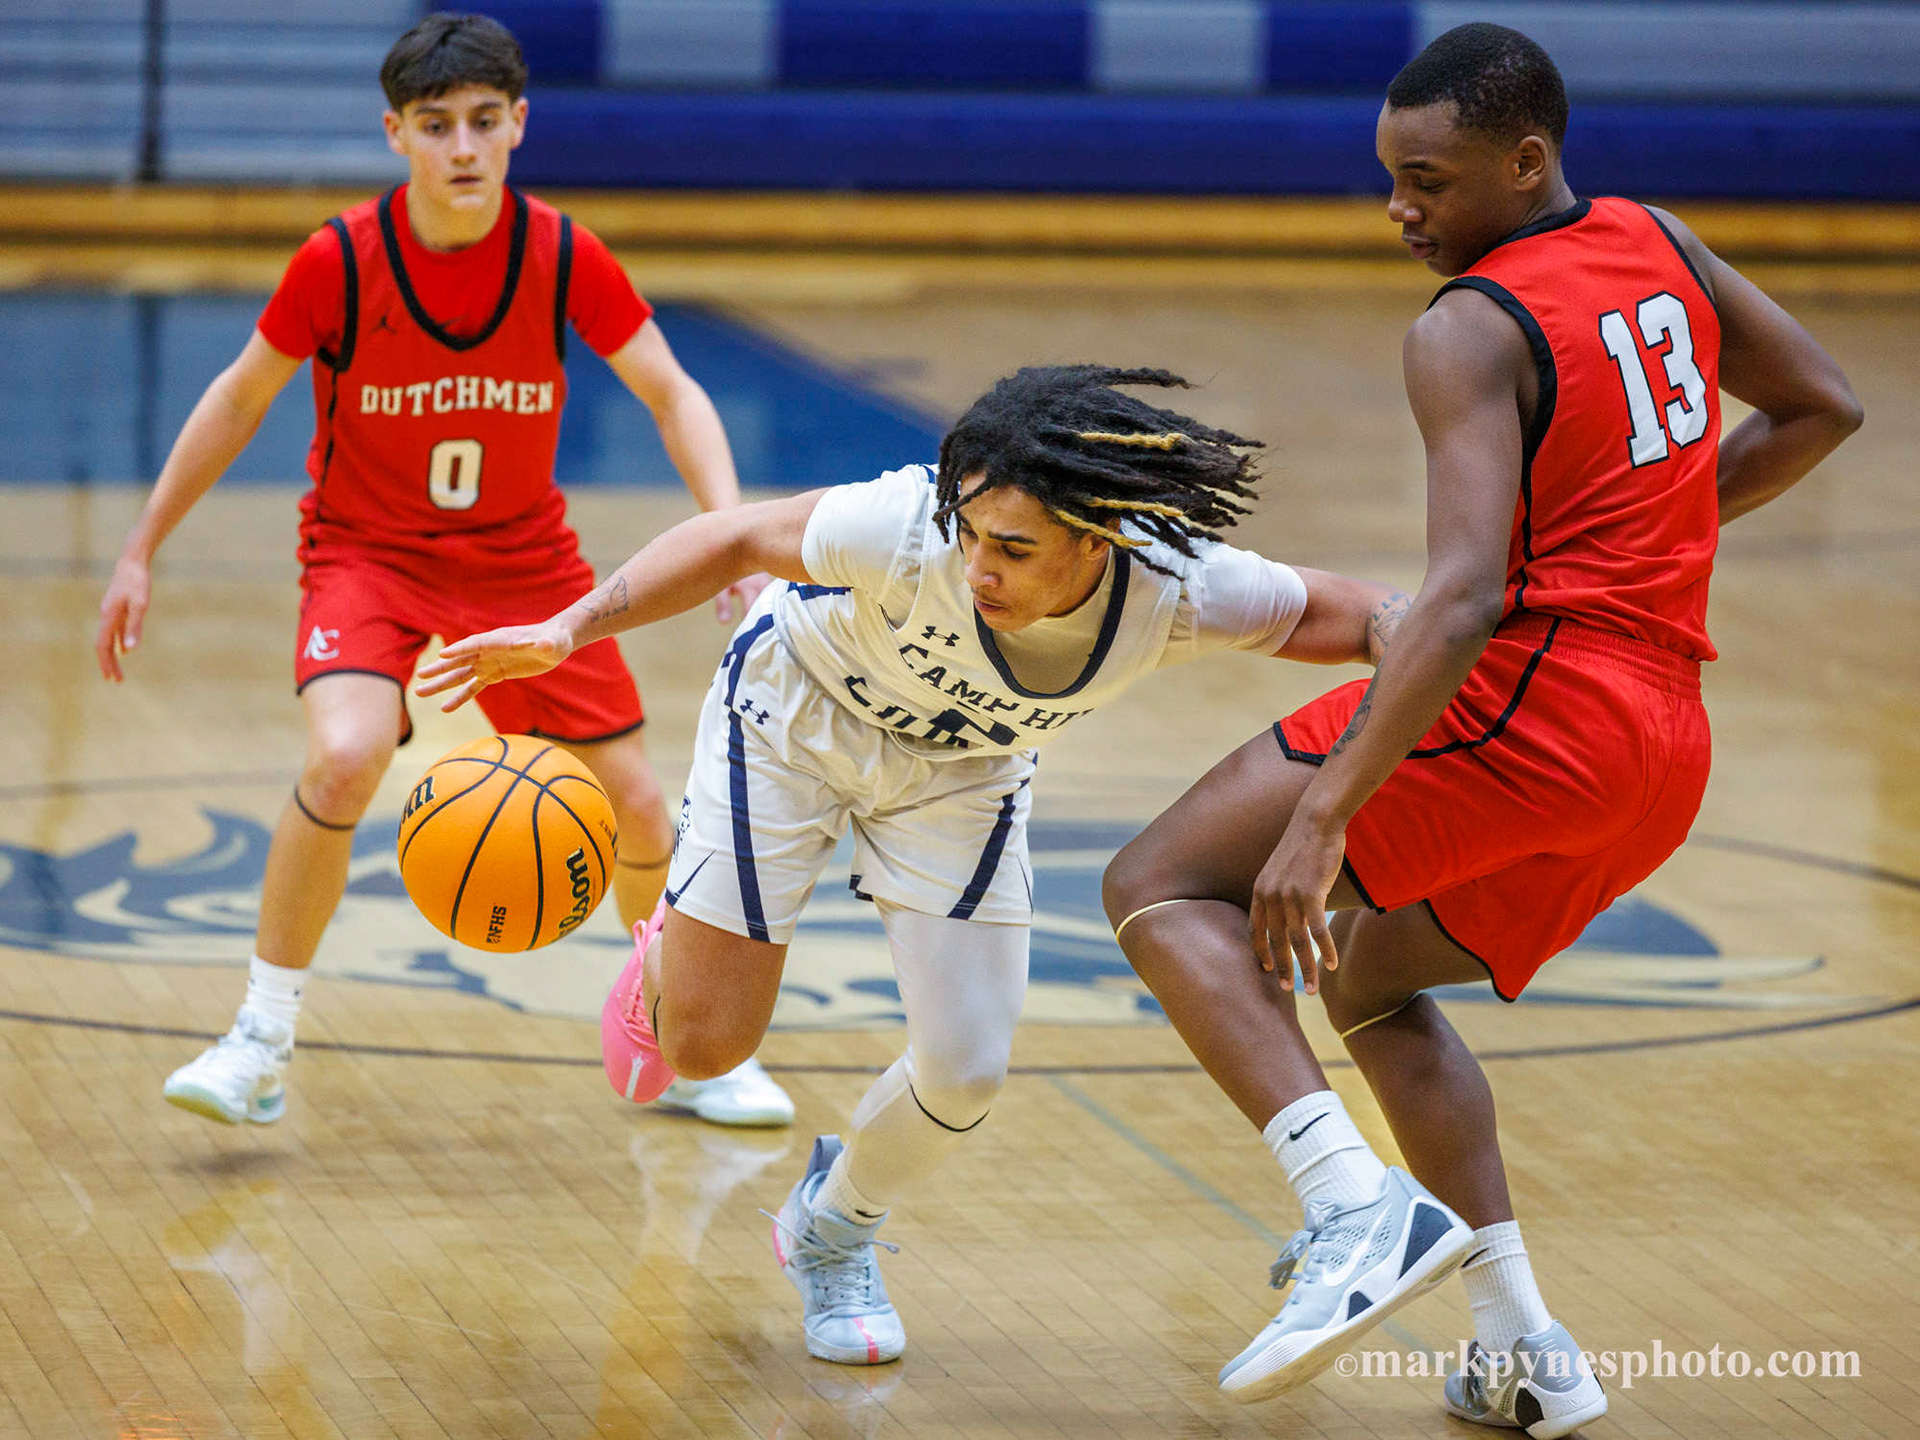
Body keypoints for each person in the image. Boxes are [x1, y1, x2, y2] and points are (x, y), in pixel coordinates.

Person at [1100, 22, 1863, 1437]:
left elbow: (1454, 605)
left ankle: (1353, 1215)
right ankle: (1522, 1347)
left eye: (1430, 181)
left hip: (1537, 701)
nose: (1404, 210)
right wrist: (1642, 534)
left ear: (1526, 161)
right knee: (1374, 981)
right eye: (1391, 179)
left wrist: (1322, 822)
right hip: (1664, 747)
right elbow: (1824, 405)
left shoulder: (1464, 328)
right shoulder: (1657, 238)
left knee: (1156, 884)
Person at [416, 363, 1413, 1366]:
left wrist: (1461, 668)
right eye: (971, 535)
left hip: (963, 774)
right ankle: (671, 948)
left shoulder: (1182, 591)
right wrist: (569, 627)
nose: (978, 566)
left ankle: (833, 1228)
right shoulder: (903, 526)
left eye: (1014, 549)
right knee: (702, 1051)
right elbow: (733, 537)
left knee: (967, 1071)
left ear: (1101, 539)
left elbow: (1380, 619)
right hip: (790, 718)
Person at [94, 12, 794, 1132]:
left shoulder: (563, 252)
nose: (462, 147)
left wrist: (737, 543)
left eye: (482, 122)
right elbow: (237, 397)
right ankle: (261, 1035)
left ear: (519, 124)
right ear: (395, 134)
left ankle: (688, 1045)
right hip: (367, 555)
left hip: (521, 563)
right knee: (346, 755)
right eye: (436, 126)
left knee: (641, 805)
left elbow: (673, 392)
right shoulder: (340, 260)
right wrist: (139, 549)